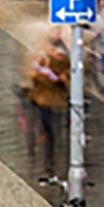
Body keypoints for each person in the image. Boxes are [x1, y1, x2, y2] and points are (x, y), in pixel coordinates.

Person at [26, 31, 72, 180]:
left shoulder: (58, 64)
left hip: (51, 102)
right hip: (46, 102)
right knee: (50, 131)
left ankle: (49, 158)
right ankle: (48, 156)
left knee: (51, 132)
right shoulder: (44, 67)